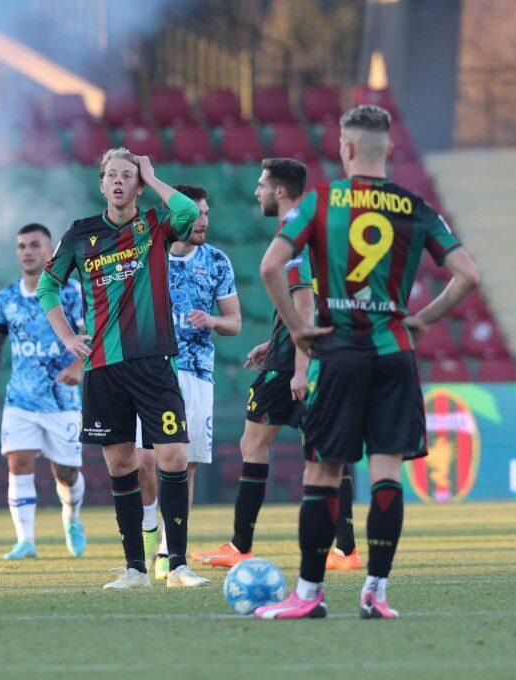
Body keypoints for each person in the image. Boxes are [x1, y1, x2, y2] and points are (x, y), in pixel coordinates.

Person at [254, 106, 481, 619]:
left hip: (338, 354)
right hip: (393, 353)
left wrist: (295, 328)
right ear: (389, 151)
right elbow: (467, 274)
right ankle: (376, 593)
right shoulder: (416, 207)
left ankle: (309, 595)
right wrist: (421, 318)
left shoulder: (319, 202)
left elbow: (272, 266)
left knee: (323, 472)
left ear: (347, 149)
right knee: (386, 472)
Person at [36, 148, 210, 589]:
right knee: (120, 465)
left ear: (136, 184)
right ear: (101, 184)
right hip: (103, 367)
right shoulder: (79, 234)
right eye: (110, 175)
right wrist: (67, 338)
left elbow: (187, 211)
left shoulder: (154, 225)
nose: (117, 181)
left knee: (172, 455)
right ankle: (135, 568)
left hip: (153, 362)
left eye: (126, 175)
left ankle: (178, 564)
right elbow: (47, 286)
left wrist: (152, 177)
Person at [193, 158, 360, 571]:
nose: (256, 193)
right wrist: (275, 339)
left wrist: (298, 366)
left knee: (254, 445)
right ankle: (347, 550)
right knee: (326, 451)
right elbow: (314, 303)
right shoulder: (317, 232)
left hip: (294, 364)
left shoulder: (293, 237)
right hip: (311, 353)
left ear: (280, 192)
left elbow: (303, 301)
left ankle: (240, 546)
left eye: (261, 185)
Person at [132, 184, 242, 580]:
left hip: (196, 372)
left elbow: (234, 321)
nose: (204, 221)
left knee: (186, 466)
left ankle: (166, 551)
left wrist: (212, 320)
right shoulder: (147, 256)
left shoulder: (216, 262)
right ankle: (146, 530)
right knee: (145, 462)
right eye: (196, 214)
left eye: (207, 214)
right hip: (150, 370)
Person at [0, 223, 87, 560]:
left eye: (35, 245)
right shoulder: (6, 299)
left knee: (66, 473)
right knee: (19, 463)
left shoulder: (72, 293)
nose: (27, 251)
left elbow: (92, 335)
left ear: (50, 251)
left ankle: (72, 517)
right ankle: (25, 540)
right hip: (21, 398)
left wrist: (78, 368)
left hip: (62, 399)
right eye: (22, 246)